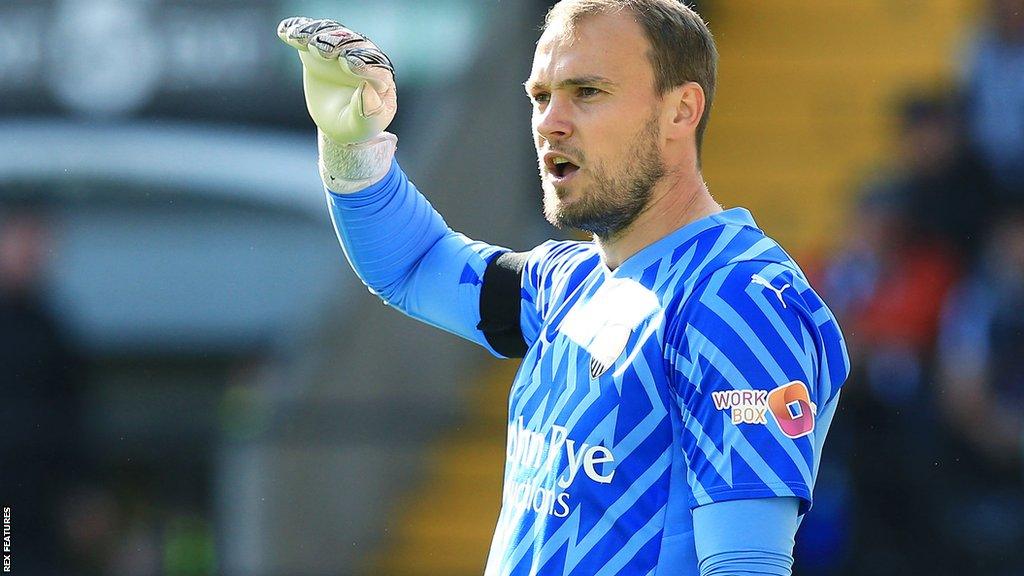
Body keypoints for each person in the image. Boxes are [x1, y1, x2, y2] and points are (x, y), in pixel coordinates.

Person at [277, 1, 849, 574]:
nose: (551, 121)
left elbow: (746, 567)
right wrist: (351, 142)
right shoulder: (569, 283)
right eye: (541, 96)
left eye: (588, 91)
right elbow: (414, 265)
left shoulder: (735, 298)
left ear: (681, 110)